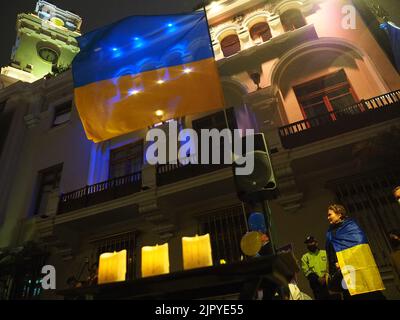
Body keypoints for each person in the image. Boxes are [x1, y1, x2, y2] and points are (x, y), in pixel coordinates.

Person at [325, 204, 386, 300]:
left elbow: (360, 246)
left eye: (330, 214)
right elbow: (330, 251)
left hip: (359, 269)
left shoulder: (351, 226)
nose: (328, 218)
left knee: (369, 294)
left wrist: (344, 260)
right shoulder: (330, 232)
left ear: (339, 214)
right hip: (344, 273)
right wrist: (335, 263)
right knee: (350, 295)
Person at [301, 236, 331, 300]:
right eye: (308, 243)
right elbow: (306, 272)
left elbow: (330, 265)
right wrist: (318, 279)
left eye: (311, 242)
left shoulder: (324, 253)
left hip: (329, 283)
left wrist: (326, 276)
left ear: (316, 243)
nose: (309, 244)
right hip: (316, 286)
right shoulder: (305, 257)